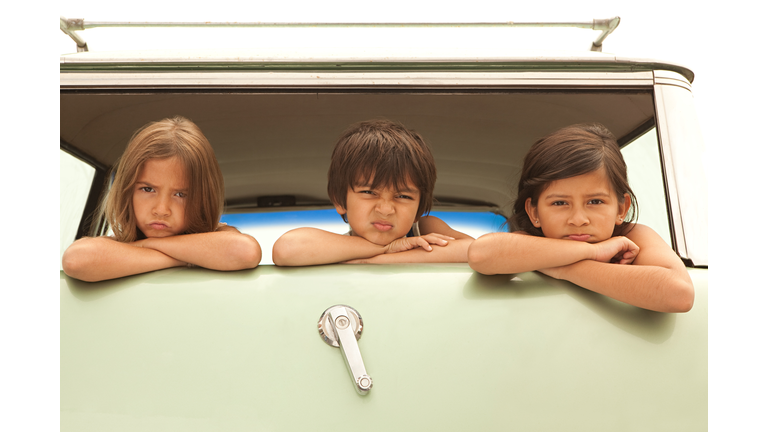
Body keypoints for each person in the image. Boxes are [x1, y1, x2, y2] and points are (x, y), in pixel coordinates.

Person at [467, 123, 694, 313]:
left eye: (595, 202)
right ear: (534, 213)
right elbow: (481, 253)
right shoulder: (529, 242)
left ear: (621, 209)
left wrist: (563, 268)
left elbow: (679, 294)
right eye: (559, 203)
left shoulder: (633, 236)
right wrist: (593, 252)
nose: (578, 219)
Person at [62, 116, 261, 282]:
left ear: (202, 201)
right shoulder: (118, 245)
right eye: (148, 189)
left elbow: (245, 252)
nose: (162, 209)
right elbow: (75, 260)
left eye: (180, 194)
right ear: (127, 191)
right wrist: (185, 258)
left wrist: (142, 247)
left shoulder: (219, 236)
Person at [272, 119, 473, 266]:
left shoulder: (424, 229)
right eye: (369, 192)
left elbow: (472, 250)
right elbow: (286, 249)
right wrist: (386, 248)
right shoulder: (333, 248)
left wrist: (380, 259)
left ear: (418, 209)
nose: (385, 209)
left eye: (403, 196)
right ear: (339, 200)